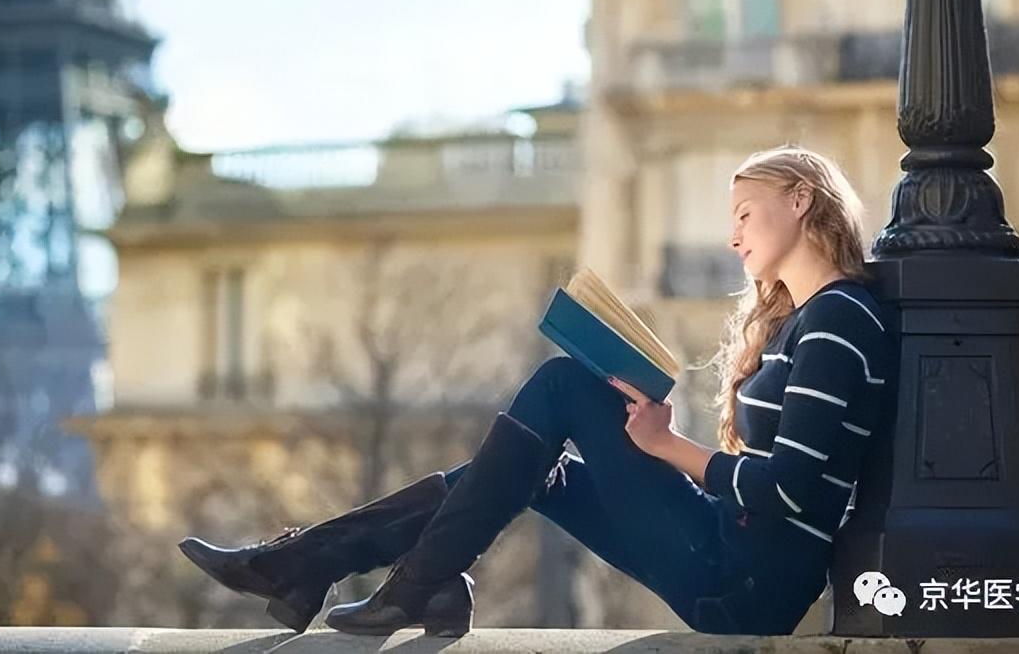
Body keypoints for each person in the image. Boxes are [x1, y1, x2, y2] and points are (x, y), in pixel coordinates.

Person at [178, 145, 896, 636]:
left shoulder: (837, 320)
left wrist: (666, 445)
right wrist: (659, 439)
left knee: (561, 387)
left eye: (745, 213)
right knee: (536, 470)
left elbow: (792, 489)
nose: (734, 236)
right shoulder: (811, 320)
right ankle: (346, 572)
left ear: (802, 200)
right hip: (732, 555)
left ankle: (368, 576)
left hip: (746, 580)